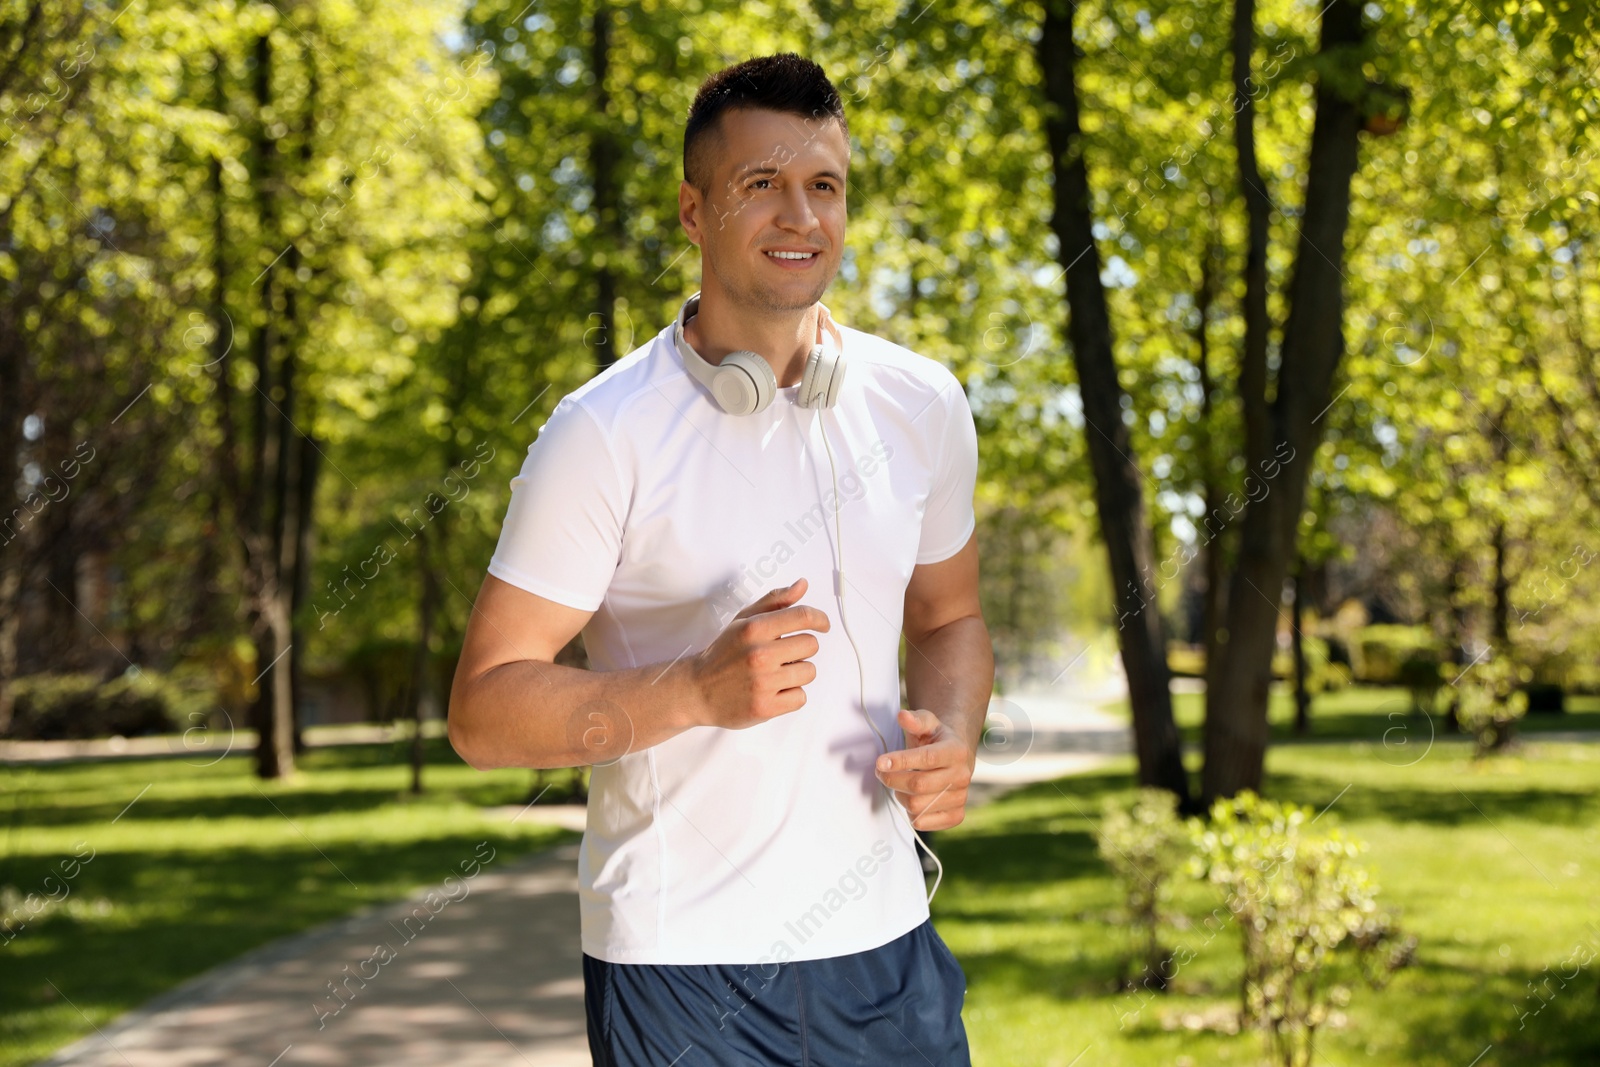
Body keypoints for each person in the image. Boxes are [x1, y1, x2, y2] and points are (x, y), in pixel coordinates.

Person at [447, 52, 993, 1066]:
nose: (800, 216)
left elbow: (950, 616)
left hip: (886, 951)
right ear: (695, 213)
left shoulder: (921, 405)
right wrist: (693, 688)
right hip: (682, 972)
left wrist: (953, 734)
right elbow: (482, 710)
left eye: (822, 185)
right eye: (761, 186)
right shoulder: (602, 431)